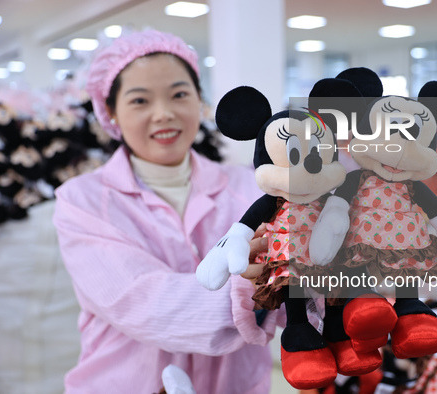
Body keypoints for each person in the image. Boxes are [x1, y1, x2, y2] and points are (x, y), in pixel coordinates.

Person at [53, 29, 282, 393]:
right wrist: (257, 287)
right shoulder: (82, 201)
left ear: (199, 101)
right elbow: (142, 301)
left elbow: (303, 281)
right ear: (110, 112)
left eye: (178, 94)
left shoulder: (251, 186)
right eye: (140, 101)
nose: (164, 114)